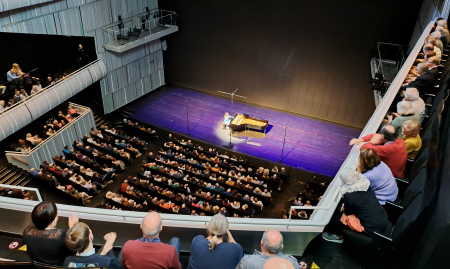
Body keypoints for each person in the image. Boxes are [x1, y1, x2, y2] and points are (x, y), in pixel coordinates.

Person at [322, 168, 388, 243]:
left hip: (371, 228)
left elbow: (348, 212)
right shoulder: (366, 185)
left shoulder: (349, 196)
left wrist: (344, 206)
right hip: (382, 218)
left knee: (339, 216)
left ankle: (337, 236)